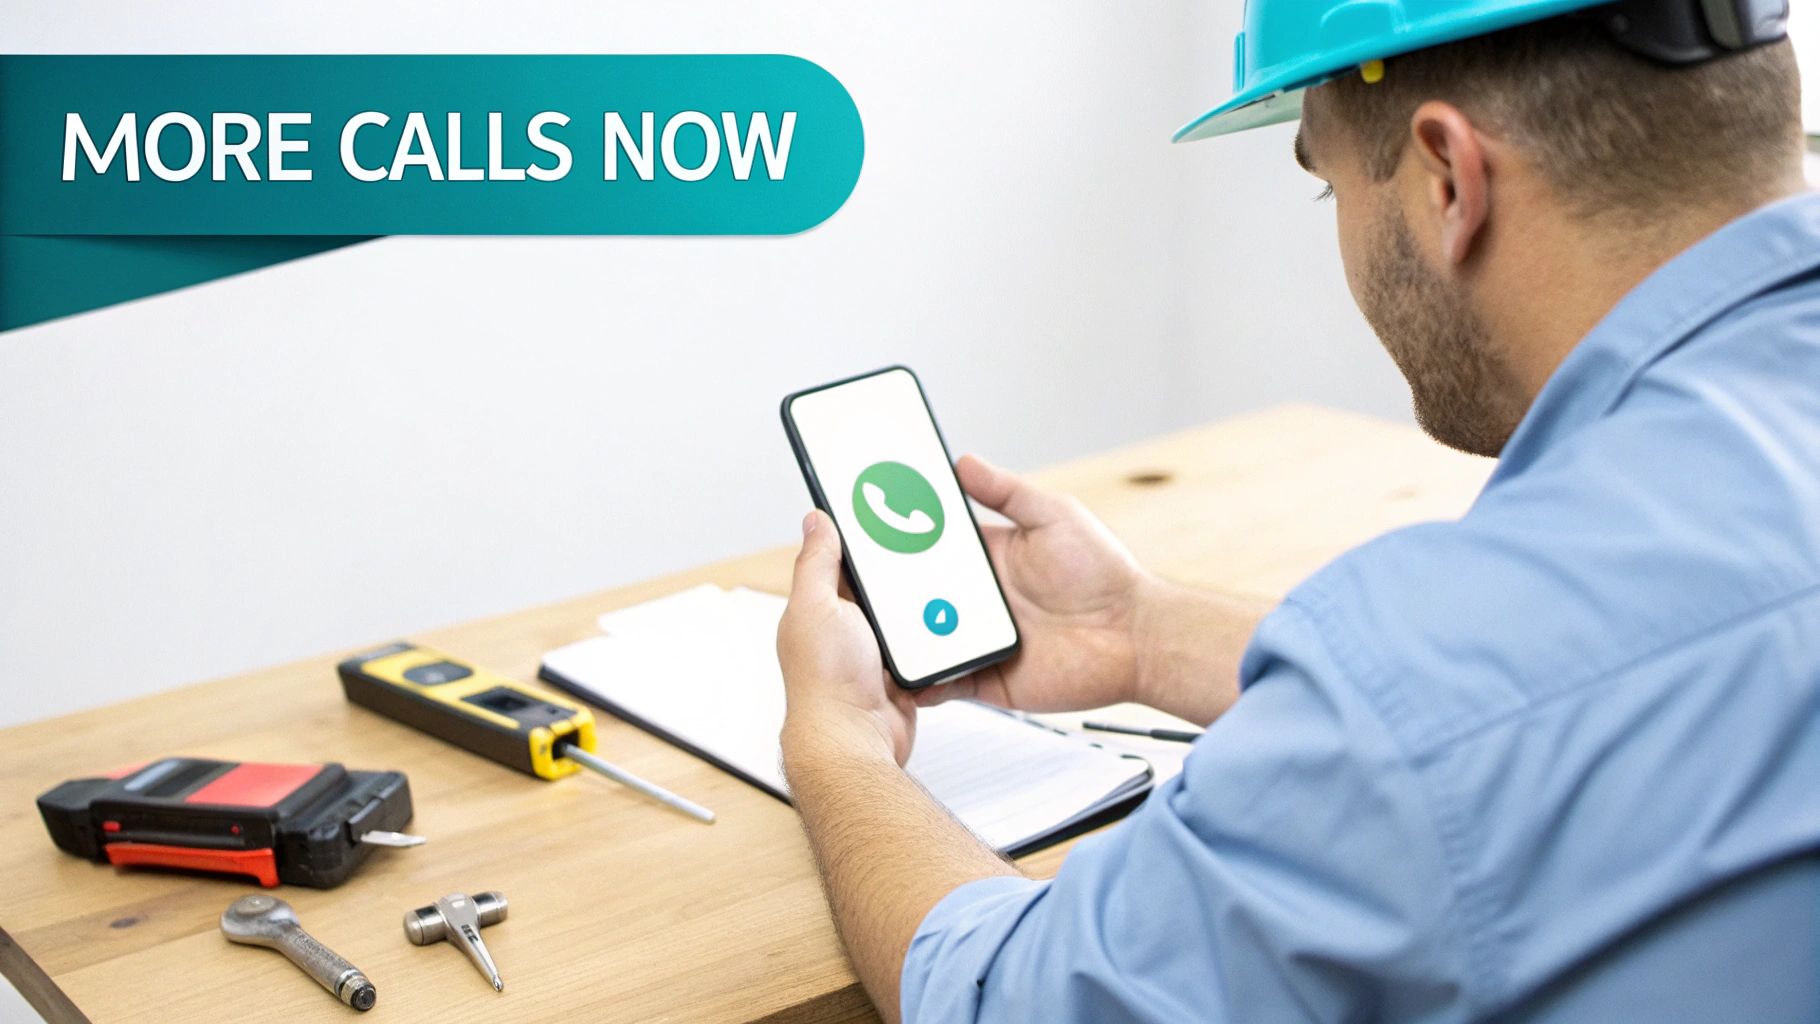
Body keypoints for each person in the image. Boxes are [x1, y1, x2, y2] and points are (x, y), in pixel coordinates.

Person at [776, 1, 1818, 1020]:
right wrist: (1138, 630)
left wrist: (838, 745)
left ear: (1446, 177)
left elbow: (1010, 998)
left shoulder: (1431, 679)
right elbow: (1586, 695)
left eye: (1327, 188)